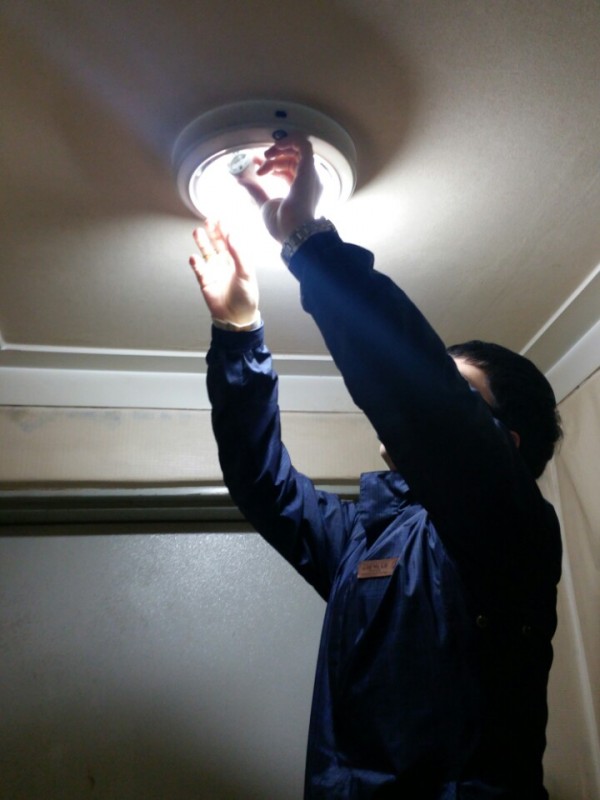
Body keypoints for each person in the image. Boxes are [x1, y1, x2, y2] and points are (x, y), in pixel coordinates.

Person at [188, 135, 563, 799]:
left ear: (505, 443)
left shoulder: (515, 532)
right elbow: (262, 484)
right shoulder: (365, 539)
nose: (435, 401)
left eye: (461, 393)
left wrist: (306, 239)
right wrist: (240, 334)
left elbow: (426, 406)